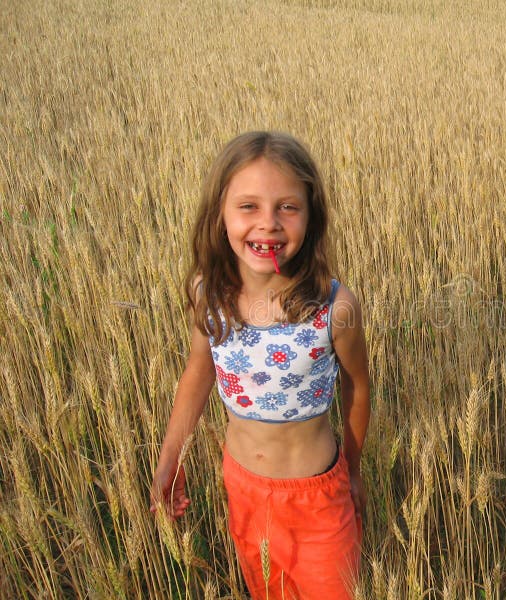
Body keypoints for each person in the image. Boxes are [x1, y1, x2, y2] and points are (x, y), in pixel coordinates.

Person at [150, 131, 370, 599]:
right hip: (244, 491)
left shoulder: (333, 307)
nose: (267, 224)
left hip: (319, 500)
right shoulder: (208, 295)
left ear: (311, 218)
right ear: (220, 215)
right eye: (248, 206)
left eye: (287, 207)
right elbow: (198, 373)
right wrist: (171, 456)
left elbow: (358, 387)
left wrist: (353, 469)